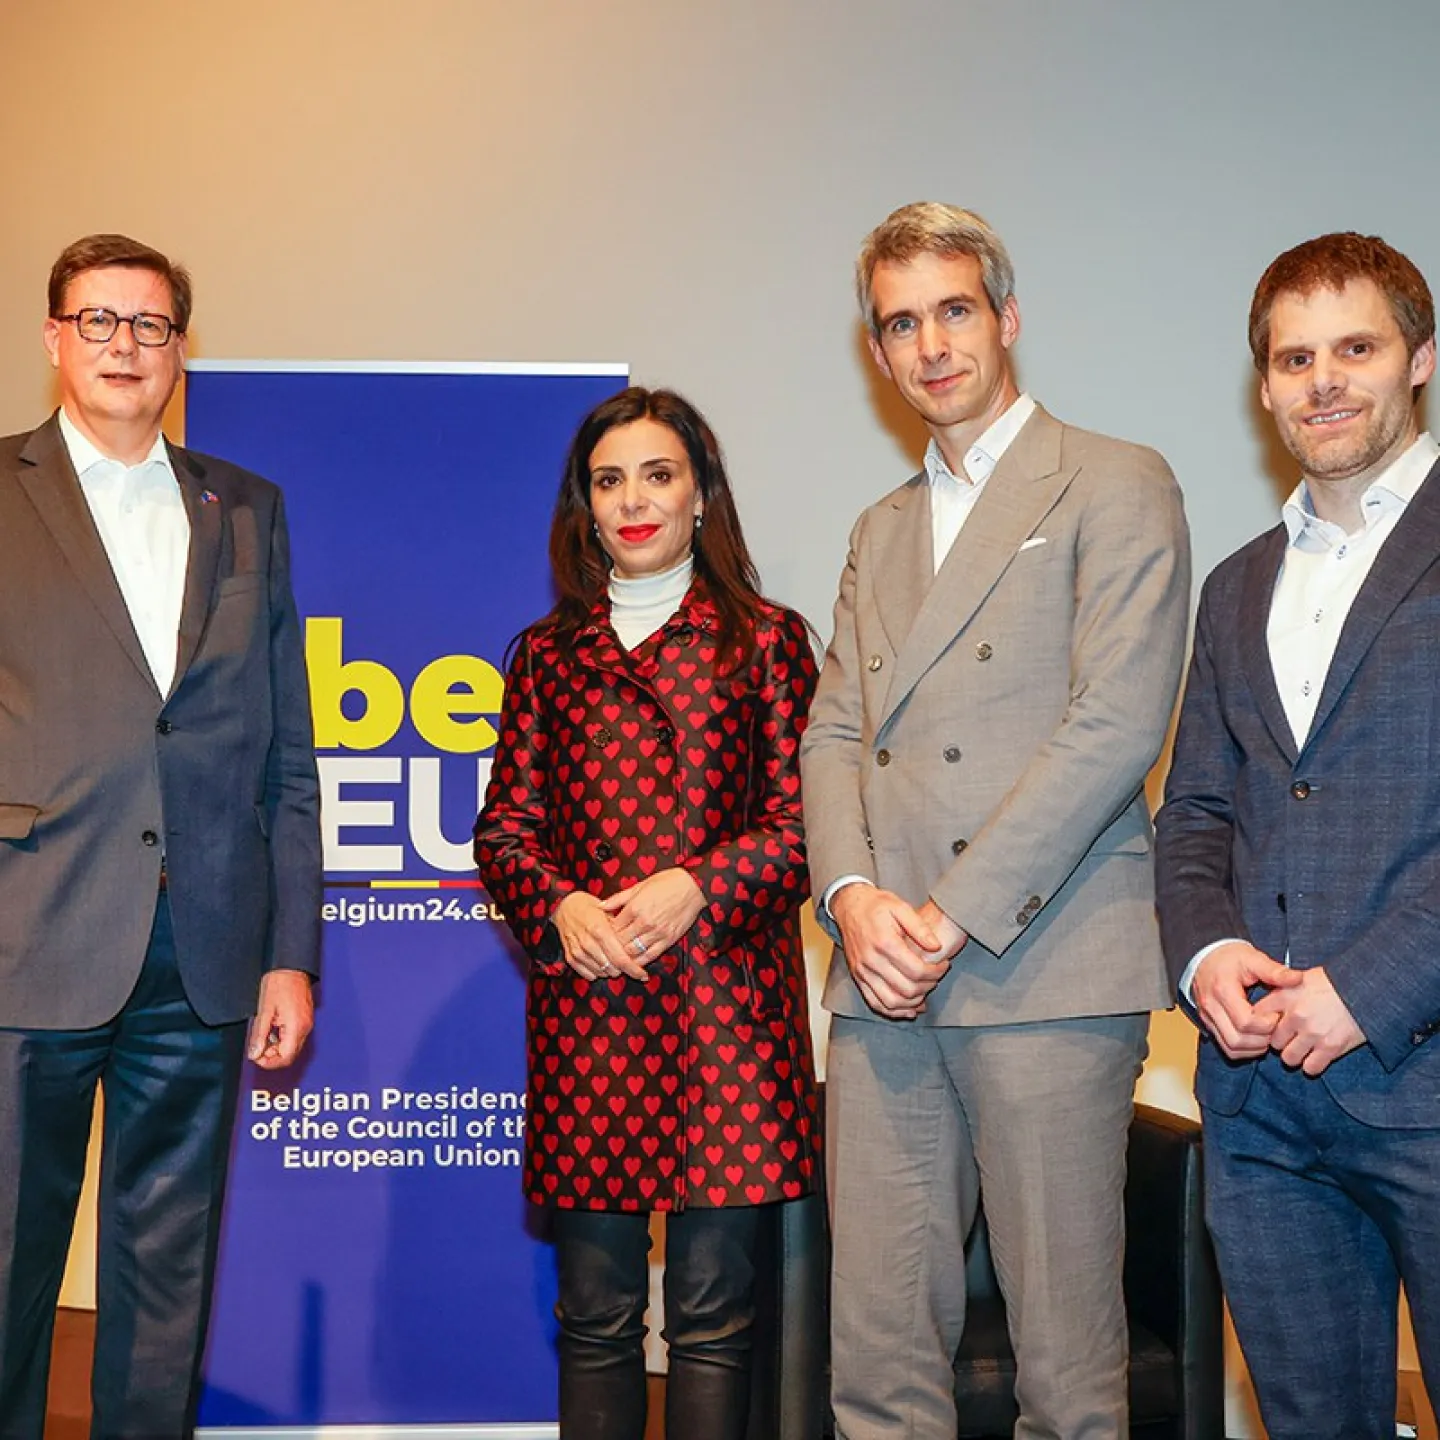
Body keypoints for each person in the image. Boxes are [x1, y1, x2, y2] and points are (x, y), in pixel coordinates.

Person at [800, 202, 1191, 1440]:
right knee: (874, 1367)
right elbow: (834, 735)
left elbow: (1115, 726)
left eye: (954, 310)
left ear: (1006, 318)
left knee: (1067, 1383)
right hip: (885, 984)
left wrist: (946, 914)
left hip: (1046, 968)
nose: (931, 345)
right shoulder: (880, 527)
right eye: (900, 323)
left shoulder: (1117, 480)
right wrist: (855, 904)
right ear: (878, 351)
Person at [0, 234, 322, 1439]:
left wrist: (291, 949)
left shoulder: (246, 509)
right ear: (54, 338)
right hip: (25, 937)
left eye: (148, 325)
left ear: (180, 348)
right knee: (9, 1270)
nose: (124, 346)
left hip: (201, 951)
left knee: (166, 1282)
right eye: (99, 321)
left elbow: (289, 754)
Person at [473, 386, 820, 1440]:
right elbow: (504, 832)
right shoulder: (545, 655)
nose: (634, 501)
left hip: (731, 1022)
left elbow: (808, 826)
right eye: (609, 479)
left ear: (700, 495)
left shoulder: (767, 642)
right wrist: (560, 902)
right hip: (592, 1017)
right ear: (585, 504)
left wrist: (699, 887)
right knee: (596, 1318)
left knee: (715, 1322)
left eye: (658, 475)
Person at [1155, 232, 1440, 1439]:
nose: (1322, 379)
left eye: (1356, 348)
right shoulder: (1234, 586)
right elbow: (1197, 815)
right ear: (1264, 385)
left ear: (1420, 359)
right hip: (1260, 1107)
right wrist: (1208, 956)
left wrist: (1366, 990)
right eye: (1294, 357)